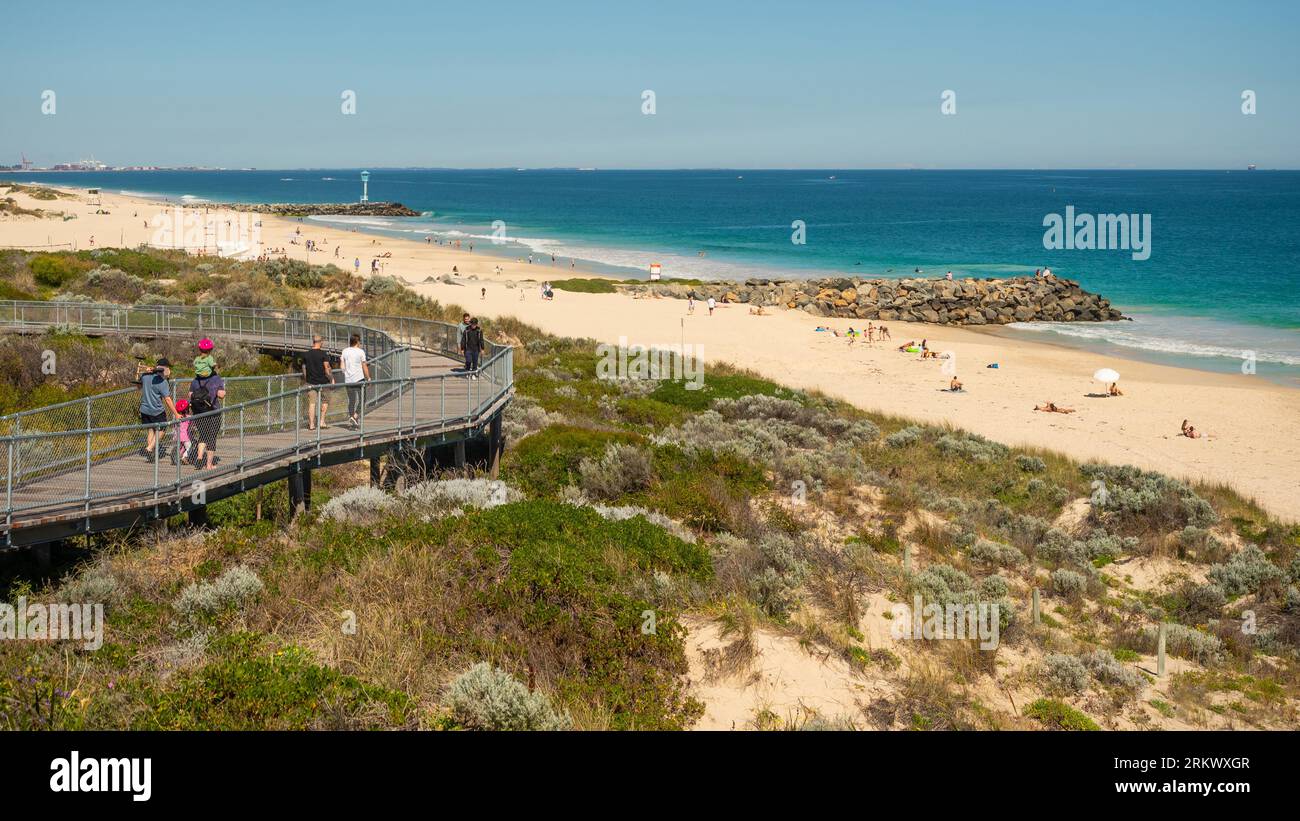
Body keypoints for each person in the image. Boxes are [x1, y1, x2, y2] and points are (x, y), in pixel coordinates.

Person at [188, 362, 226, 469]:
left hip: (199, 413)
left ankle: (200, 457)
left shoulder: (196, 379)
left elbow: (190, 395)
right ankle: (209, 464)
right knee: (211, 437)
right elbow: (221, 395)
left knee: (203, 434)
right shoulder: (216, 379)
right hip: (213, 412)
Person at [139, 358, 177, 461]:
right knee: (162, 429)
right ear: (164, 368)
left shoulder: (145, 376)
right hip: (156, 410)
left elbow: (138, 383)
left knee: (151, 430)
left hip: (144, 409)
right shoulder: (162, 382)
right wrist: (176, 414)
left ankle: (150, 454)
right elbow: (168, 399)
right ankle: (149, 448)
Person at [301, 335, 334, 430]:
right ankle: (322, 422)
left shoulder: (306, 354)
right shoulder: (324, 354)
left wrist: (306, 378)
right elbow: (327, 369)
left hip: (310, 382)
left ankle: (311, 425)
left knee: (312, 403)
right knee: (325, 400)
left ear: (313, 342)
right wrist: (331, 378)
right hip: (323, 382)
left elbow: (304, 368)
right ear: (320, 342)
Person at [340, 333, 371, 428]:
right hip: (359, 379)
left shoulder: (345, 351)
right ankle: (355, 416)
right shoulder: (360, 352)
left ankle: (352, 418)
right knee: (363, 399)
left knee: (352, 400)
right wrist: (368, 377)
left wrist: (345, 373)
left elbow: (342, 365)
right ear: (357, 342)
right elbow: (364, 366)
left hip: (348, 380)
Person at [173, 399, 194, 465]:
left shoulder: (176, 418)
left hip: (177, 435)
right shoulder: (189, 417)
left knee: (182, 446)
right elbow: (192, 424)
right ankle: (184, 457)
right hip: (185, 436)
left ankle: (177, 456)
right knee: (189, 446)